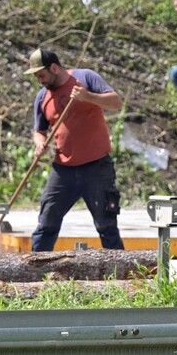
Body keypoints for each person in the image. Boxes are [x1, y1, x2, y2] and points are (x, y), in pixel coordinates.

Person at [24, 48, 125, 251]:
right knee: (46, 224)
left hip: (97, 167)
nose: (40, 80)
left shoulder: (85, 78)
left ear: (54, 68)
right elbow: (39, 130)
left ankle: (121, 275)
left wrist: (87, 97)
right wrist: (39, 143)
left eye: (41, 75)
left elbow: (116, 102)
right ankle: (35, 271)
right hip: (63, 170)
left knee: (106, 226)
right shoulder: (42, 97)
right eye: (36, 77)